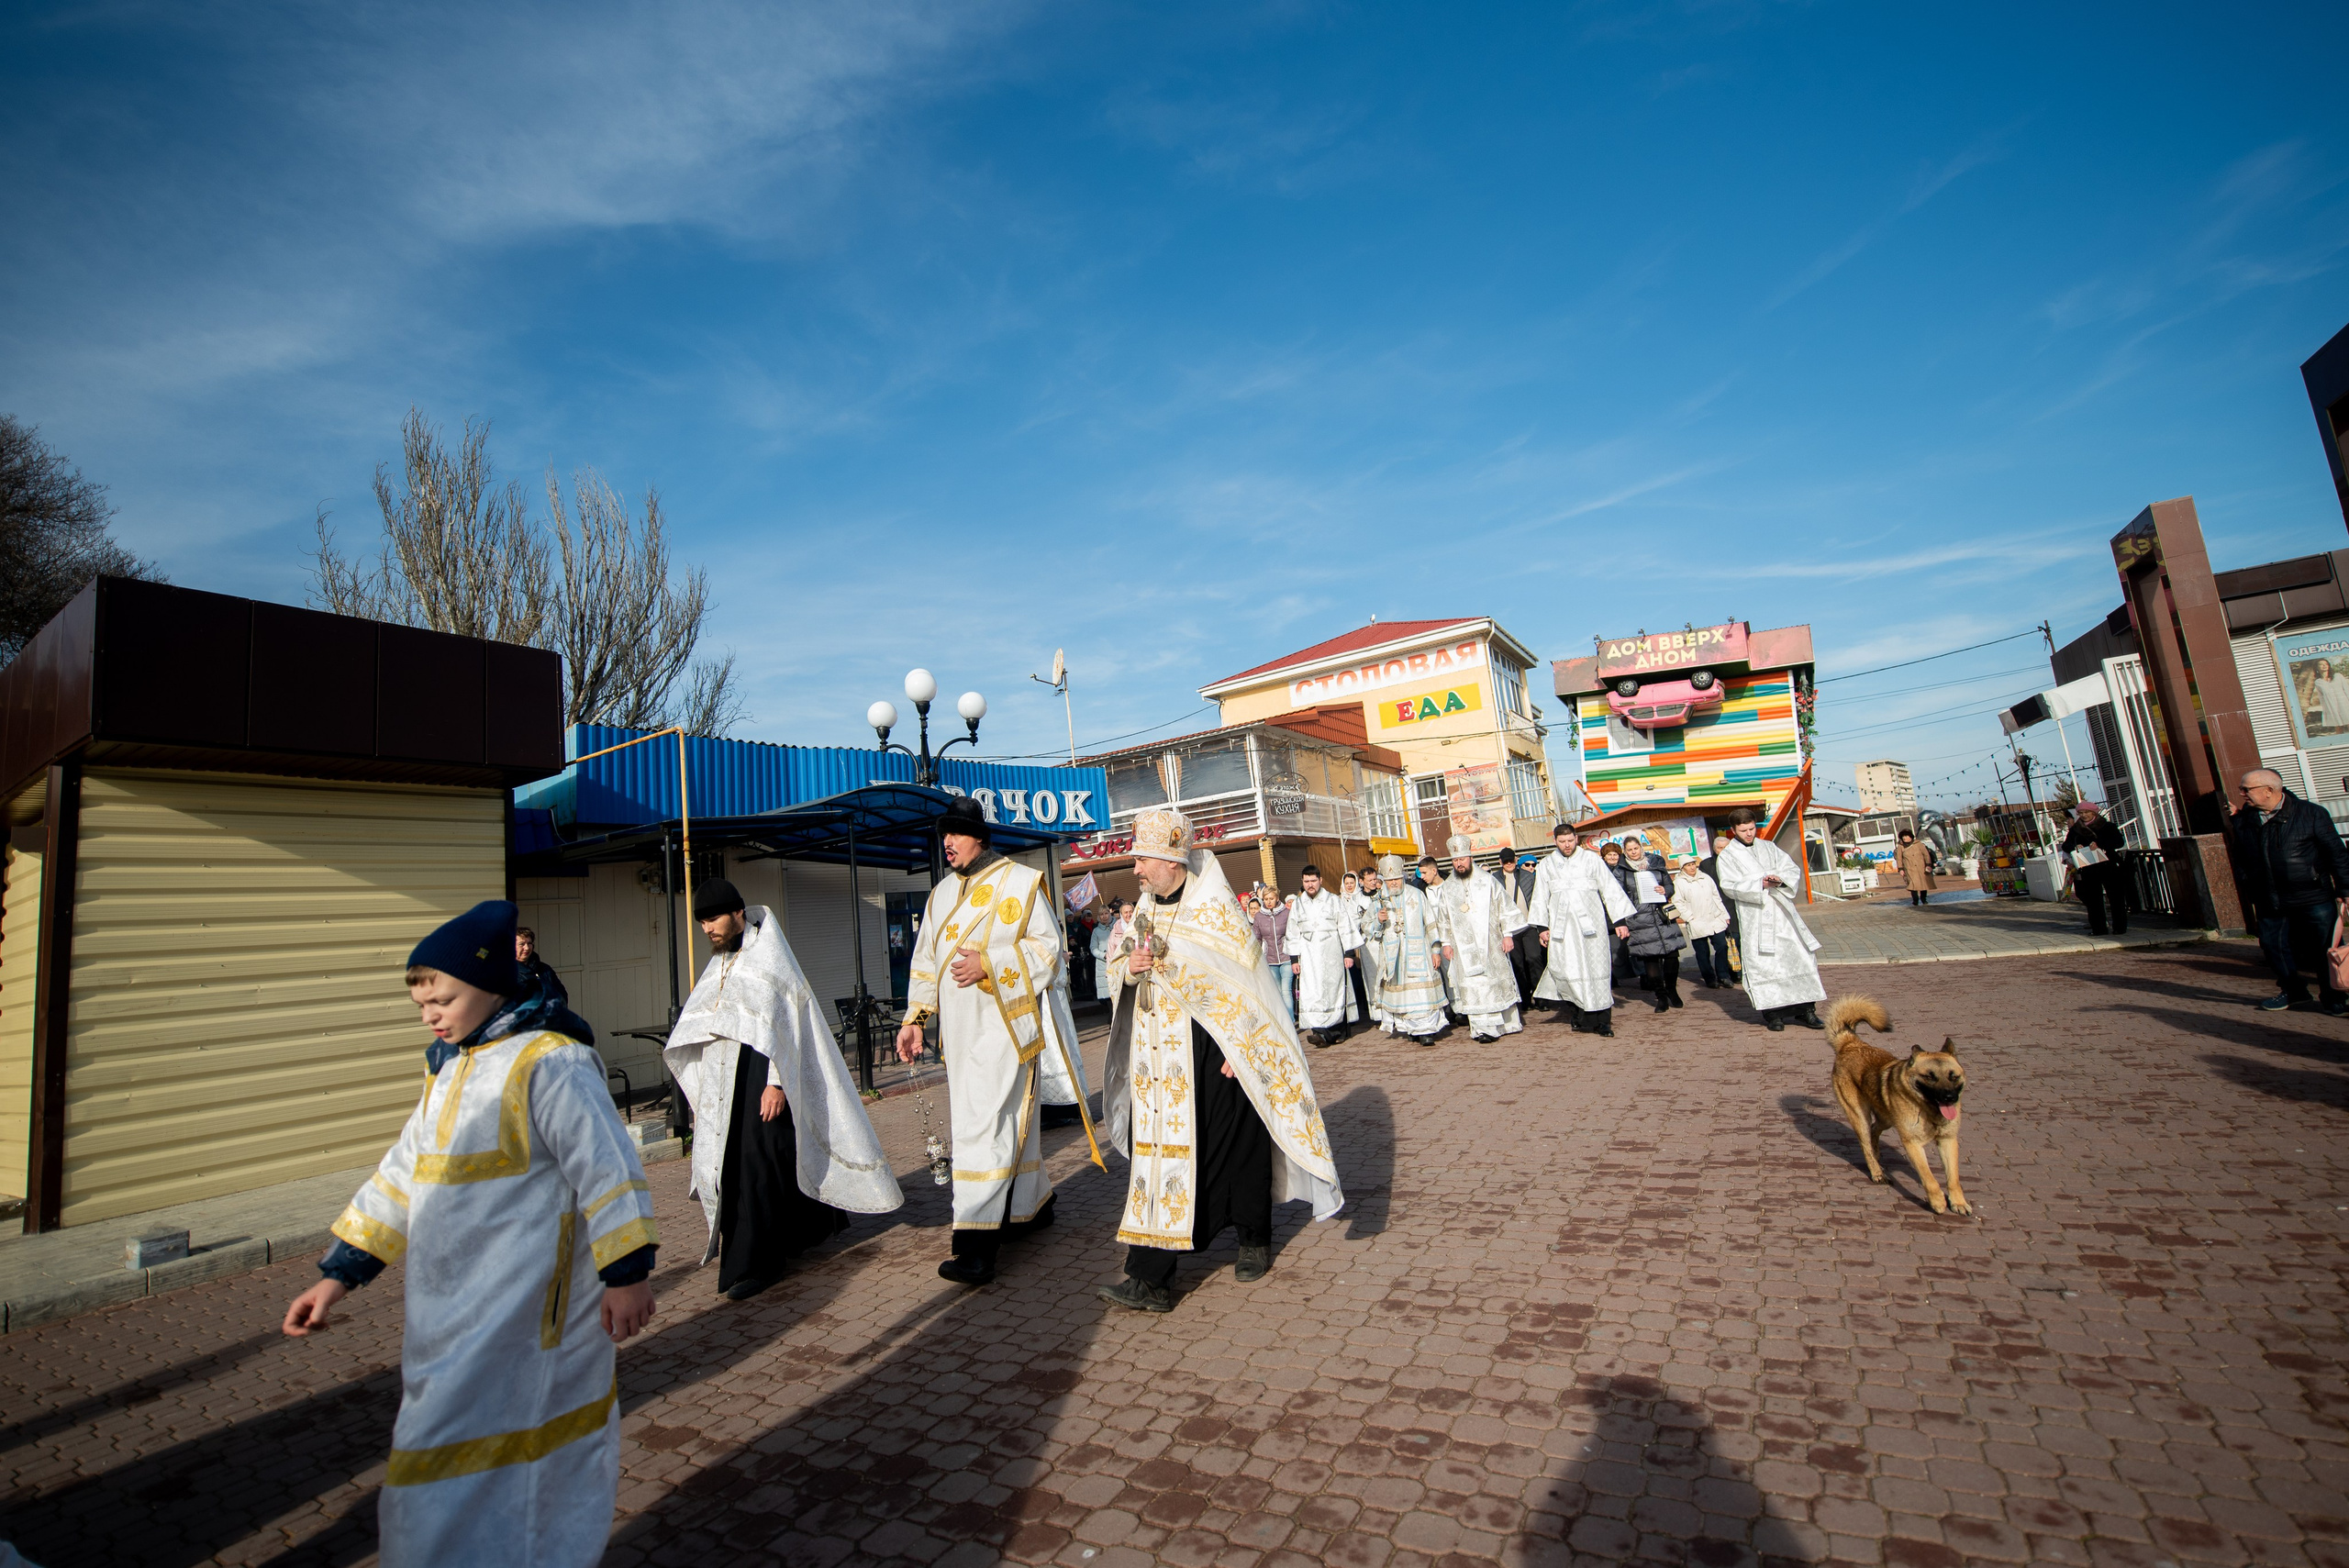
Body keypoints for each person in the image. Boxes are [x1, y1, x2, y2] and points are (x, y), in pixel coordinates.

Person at [281, 900, 657, 1568]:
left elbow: (607, 1167)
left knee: (533, 1462)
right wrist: (339, 1273)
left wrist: (626, 1275)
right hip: (447, 1317)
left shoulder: (552, 1061)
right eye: (422, 1002)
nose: (430, 1014)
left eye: (443, 998)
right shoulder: (446, 1066)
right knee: (438, 1460)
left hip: (532, 1319)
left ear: (490, 983)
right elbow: (401, 1175)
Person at [1098, 807, 1342, 1311]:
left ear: (1171, 859)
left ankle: (1253, 1238)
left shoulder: (1215, 911)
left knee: (1237, 1149)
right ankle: (1150, 1278)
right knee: (1159, 1160)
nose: (1136, 868)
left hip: (1217, 1051)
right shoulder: (1144, 908)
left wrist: (1243, 1047)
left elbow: (1251, 989)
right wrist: (1129, 967)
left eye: (1143, 859)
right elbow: (1122, 967)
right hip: (1158, 1064)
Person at [664, 879, 903, 1301]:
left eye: (714, 919)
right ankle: (805, 1232)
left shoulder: (769, 956)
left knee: (759, 1161)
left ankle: (758, 1264)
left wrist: (776, 1083)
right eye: (701, 921)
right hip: (728, 1080)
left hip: (765, 1075)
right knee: (751, 1161)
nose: (707, 929)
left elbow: (786, 1025)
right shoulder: (721, 961)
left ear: (739, 913)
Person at [895, 797, 1099, 1286]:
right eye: (943, 834)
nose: (947, 842)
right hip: (960, 1036)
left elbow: (1050, 952)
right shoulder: (940, 895)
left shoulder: (1020, 882)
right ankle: (1031, 1207)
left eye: (957, 834)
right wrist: (915, 1019)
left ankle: (975, 1246)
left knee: (981, 1128)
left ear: (980, 838)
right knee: (1009, 1123)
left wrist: (990, 963)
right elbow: (926, 963)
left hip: (1005, 1027)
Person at [2231, 768, 2349, 1015]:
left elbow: (2336, 852)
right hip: (2269, 899)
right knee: (2274, 948)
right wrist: (2248, 881)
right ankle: (2294, 992)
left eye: (2246, 789)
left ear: (2269, 790)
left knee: (2324, 948)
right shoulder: (2245, 820)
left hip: (2312, 895)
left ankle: (2334, 997)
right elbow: (2241, 856)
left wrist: (2345, 887)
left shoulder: (2310, 814)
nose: (2241, 794)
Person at [1717, 810, 1824, 1030]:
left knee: (1798, 957)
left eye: (1751, 829)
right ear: (1734, 831)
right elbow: (1728, 886)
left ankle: (1807, 1010)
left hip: (1781, 913)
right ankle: (1773, 1014)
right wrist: (1759, 884)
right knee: (1766, 964)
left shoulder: (1769, 847)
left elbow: (1791, 867)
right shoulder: (1727, 856)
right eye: (1743, 830)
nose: (1749, 833)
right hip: (1755, 916)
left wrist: (1779, 879)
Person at [1525, 823, 1634, 1036]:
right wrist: (1542, 927)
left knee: (1597, 970)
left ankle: (1603, 1022)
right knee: (1567, 969)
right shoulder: (1547, 865)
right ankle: (1578, 1014)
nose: (1567, 845)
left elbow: (1609, 888)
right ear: (1555, 841)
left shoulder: (1592, 860)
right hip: (1562, 930)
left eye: (1570, 840)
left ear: (1576, 838)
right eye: (1562, 841)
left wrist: (1620, 920)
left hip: (1592, 928)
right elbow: (1539, 897)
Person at [1431, 835, 1524, 1040]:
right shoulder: (1448, 887)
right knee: (1474, 986)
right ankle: (1483, 1029)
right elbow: (1443, 917)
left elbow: (1505, 908)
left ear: (1470, 857)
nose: (1459, 864)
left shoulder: (1487, 881)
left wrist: (1507, 935)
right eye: (1455, 860)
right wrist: (1445, 943)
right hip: (1463, 949)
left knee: (1493, 983)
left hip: (1491, 943)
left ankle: (1505, 1025)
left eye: (1462, 859)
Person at [1362, 851, 1451, 1042]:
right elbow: (1365, 927)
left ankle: (1426, 1031)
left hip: (1420, 954)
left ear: (1402, 877)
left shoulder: (1417, 895)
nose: (1394, 883)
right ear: (1383, 881)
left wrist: (1436, 951)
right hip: (1395, 959)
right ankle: (1412, 1029)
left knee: (1423, 994)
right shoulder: (1379, 901)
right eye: (1390, 880)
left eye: (1397, 879)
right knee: (1404, 999)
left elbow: (1431, 924)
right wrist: (1378, 920)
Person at [1609, 834, 1688, 1011]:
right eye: (1629, 850)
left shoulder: (1656, 863)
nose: (1633, 852)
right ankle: (1660, 996)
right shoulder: (1620, 870)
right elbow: (1617, 895)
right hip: (1639, 919)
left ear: (1641, 847)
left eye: (1635, 848)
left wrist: (1665, 890)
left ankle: (1672, 991)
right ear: (1625, 851)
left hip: (1661, 916)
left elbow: (1670, 885)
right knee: (1650, 960)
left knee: (1672, 957)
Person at [1288, 865, 1362, 1046]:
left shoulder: (1333, 901)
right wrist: (1294, 959)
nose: (1310, 885)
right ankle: (1319, 1032)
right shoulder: (1297, 904)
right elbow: (1292, 932)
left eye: (1313, 881)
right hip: (1309, 956)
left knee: (1333, 989)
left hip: (1332, 953)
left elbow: (1345, 926)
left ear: (1320, 881)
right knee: (1313, 992)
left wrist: (1349, 953)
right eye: (1306, 881)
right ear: (1302, 882)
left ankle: (1335, 1032)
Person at [2060, 803, 2129, 937]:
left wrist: (2100, 844)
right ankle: (2099, 929)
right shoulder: (2076, 829)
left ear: (2094, 813)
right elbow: (2066, 845)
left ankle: (2120, 927)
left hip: (2107, 865)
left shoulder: (2107, 826)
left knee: (2115, 897)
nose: (2084, 815)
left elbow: (2119, 842)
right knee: (2093, 900)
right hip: (2087, 866)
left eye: (2087, 812)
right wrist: (2075, 846)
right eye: (2081, 813)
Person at [1671, 855, 1734, 988]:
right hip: (1697, 921)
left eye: (1693, 864)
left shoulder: (1706, 878)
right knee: (1702, 952)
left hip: (1715, 918)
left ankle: (1723, 975)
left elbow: (1716, 897)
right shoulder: (1679, 882)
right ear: (1683, 868)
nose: (1692, 867)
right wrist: (1689, 918)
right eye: (1688, 865)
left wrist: (1724, 914)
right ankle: (1710, 978)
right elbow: (1678, 903)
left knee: (1722, 946)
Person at [1697, 832, 1741, 981]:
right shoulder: (1706, 865)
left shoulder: (1737, 862)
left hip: (1734, 906)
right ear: (1715, 849)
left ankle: (1736, 972)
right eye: (1720, 848)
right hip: (1715, 908)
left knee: (1737, 940)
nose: (1723, 850)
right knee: (1722, 944)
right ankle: (1723, 974)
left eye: (1726, 847)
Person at [1251, 885, 1294, 1022]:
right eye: (1266, 899)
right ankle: (1283, 1021)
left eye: (1271, 898)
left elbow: (1293, 933)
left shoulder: (1286, 913)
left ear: (1277, 898)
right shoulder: (1259, 917)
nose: (1269, 901)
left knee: (1286, 991)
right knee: (1278, 992)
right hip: (1270, 960)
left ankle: (1290, 1021)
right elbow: (1256, 938)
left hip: (1286, 956)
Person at [1346, 866, 1382, 1027]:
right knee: (1373, 977)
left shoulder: (1383, 895)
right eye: (1370, 880)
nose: (1374, 882)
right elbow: (1353, 923)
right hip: (1369, 943)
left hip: (1387, 941)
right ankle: (1378, 1012)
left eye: (1375, 879)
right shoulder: (1356, 901)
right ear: (1361, 881)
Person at [515, 925, 569, 1006]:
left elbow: (562, 995)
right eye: (521, 944)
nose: (527, 948)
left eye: (529, 943)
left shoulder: (545, 970)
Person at [1895, 830, 1938, 908]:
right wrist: (1900, 869)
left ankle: (1923, 898)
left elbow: (1926, 855)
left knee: (1923, 884)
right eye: (1903, 836)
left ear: (1910, 836)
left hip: (1921, 867)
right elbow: (1899, 859)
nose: (1904, 838)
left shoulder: (1919, 844)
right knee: (1912, 884)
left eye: (1906, 836)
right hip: (1909, 868)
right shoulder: (1901, 847)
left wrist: (1928, 865)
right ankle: (1915, 900)